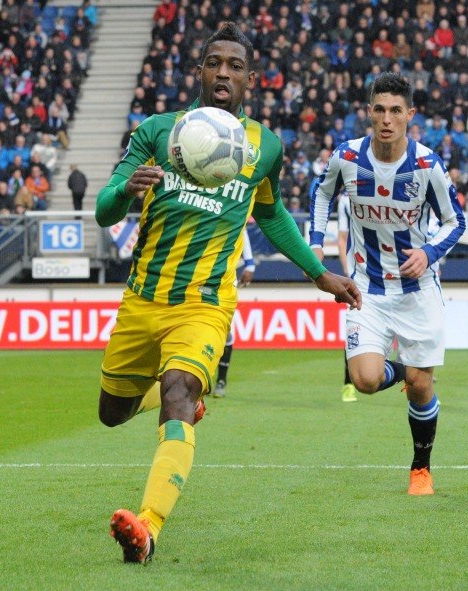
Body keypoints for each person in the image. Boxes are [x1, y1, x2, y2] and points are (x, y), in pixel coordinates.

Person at [94, 23, 361, 564]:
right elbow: (104, 209)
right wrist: (126, 188)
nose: (223, 72)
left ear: (251, 79)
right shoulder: (157, 131)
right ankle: (184, 408)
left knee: (177, 392)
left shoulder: (265, 148)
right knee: (111, 413)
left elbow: (271, 213)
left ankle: (146, 529)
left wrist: (320, 274)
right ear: (199, 71)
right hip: (143, 299)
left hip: (207, 304)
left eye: (235, 66)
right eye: (214, 62)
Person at [309, 72, 466, 496]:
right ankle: (400, 371)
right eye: (379, 109)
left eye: (396, 110)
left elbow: (456, 221)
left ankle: (420, 469)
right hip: (368, 292)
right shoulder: (346, 158)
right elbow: (321, 194)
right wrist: (315, 247)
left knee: (422, 387)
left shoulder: (427, 165)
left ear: (410, 115)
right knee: (363, 380)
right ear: (369, 112)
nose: (387, 119)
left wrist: (429, 252)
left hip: (418, 294)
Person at [213, 227, 255, 398]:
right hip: (196, 279)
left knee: (226, 331)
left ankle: (221, 380)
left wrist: (250, 263)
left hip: (226, 281)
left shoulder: (231, 207)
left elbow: (241, 228)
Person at [336, 191, 359, 403]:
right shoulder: (345, 200)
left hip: (390, 271)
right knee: (353, 325)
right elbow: (342, 238)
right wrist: (347, 270)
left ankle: (416, 386)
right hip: (358, 272)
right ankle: (348, 384)